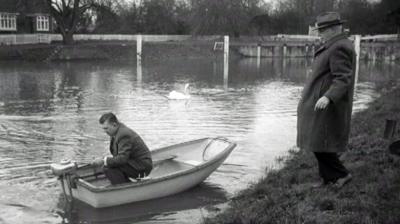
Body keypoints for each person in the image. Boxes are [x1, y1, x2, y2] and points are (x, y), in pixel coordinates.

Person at [297, 12, 355, 188]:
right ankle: (327, 177)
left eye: (322, 30)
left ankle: (342, 175)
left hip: (326, 103)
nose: (320, 34)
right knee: (319, 141)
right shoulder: (334, 45)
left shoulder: (339, 47)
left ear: (333, 29)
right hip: (317, 99)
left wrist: (328, 97)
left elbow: (342, 78)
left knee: (320, 141)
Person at [92, 112, 153, 185]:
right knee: (109, 165)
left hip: (142, 167)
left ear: (114, 125)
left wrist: (103, 160)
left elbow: (122, 159)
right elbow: (119, 156)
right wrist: (105, 160)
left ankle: (124, 188)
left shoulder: (123, 134)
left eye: (106, 128)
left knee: (107, 168)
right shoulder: (116, 131)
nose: (105, 131)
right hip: (134, 162)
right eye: (103, 129)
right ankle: (127, 183)